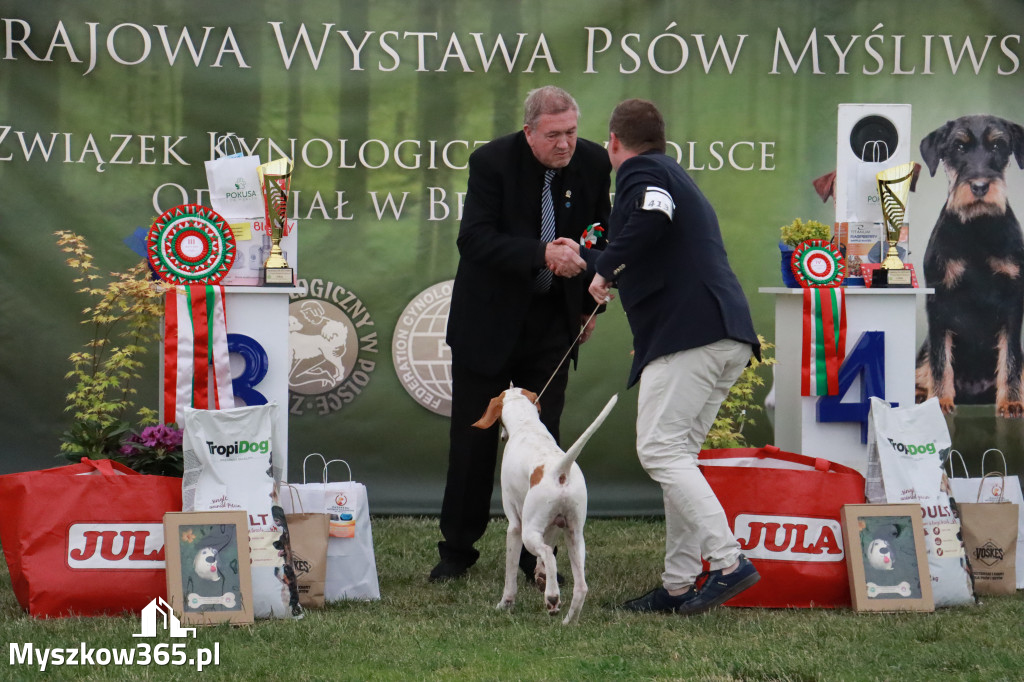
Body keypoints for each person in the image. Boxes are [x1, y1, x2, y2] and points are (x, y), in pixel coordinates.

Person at [583, 98, 762, 614]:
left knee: (660, 452)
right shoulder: (669, 172)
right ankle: (679, 584)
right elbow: (654, 241)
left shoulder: (642, 173)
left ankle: (729, 562)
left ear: (613, 143)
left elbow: (651, 220)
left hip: (693, 335)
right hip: (721, 333)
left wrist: (603, 268)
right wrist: (593, 260)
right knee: (677, 457)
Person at [430, 86, 612, 583]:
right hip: (488, 321)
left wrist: (591, 294)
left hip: (553, 324)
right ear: (529, 131)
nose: (566, 144)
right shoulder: (491, 162)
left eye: (572, 132)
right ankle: (457, 551)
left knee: (544, 443)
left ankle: (537, 554)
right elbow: (475, 239)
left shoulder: (594, 163)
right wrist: (541, 254)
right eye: (553, 135)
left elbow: (602, 237)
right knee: (474, 441)